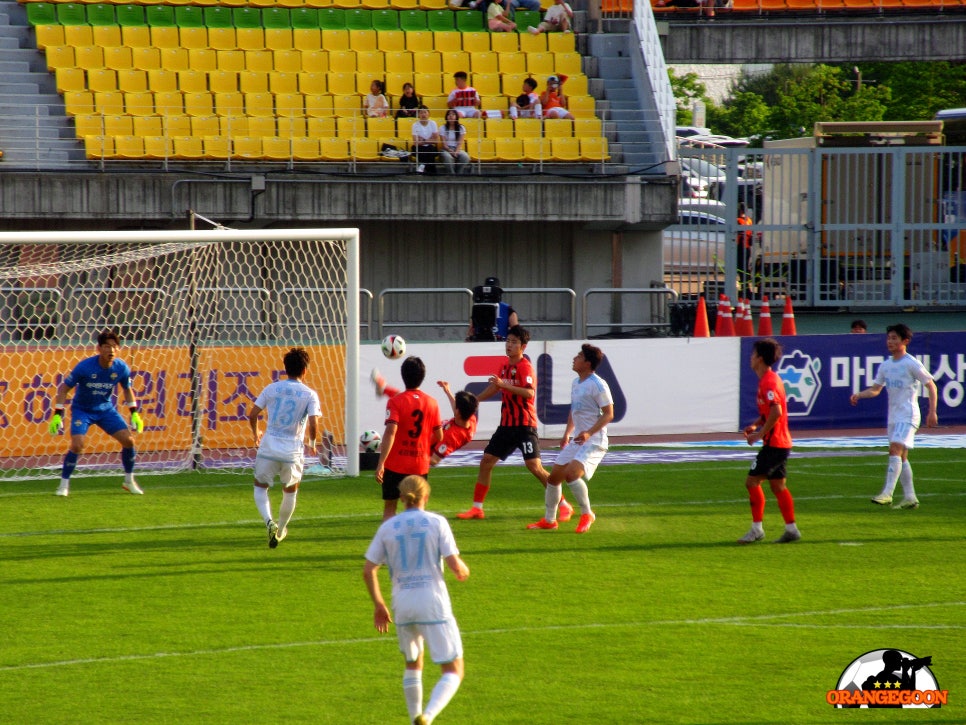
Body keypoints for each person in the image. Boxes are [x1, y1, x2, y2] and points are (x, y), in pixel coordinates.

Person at [364, 475, 470, 725]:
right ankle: (428, 716)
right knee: (454, 670)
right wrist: (462, 570)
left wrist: (379, 605)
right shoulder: (436, 522)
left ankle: (414, 719)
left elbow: (369, 569)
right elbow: (455, 564)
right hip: (433, 603)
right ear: (426, 496)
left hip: (402, 605)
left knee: (413, 662)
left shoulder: (387, 527)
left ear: (401, 498)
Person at [456, 325, 573, 521]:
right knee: (486, 462)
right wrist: (476, 399)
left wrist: (504, 385)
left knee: (534, 466)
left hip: (525, 426)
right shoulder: (504, 365)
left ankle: (563, 504)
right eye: (508, 341)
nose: (509, 345)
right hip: (506, 426)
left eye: (514, 342)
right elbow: (496, 387)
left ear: (523, 346)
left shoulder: (524, 366)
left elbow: (529, 392)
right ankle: (477, 508)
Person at [849, 323, 938, 509]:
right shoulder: (885, 365)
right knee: (902, 456)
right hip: (894, 416)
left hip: (908, 415)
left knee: (895, 450)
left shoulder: (911, 363)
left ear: (905, 341)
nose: (890, 341)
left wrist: (932, 411)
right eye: (889, 338)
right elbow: (876, 390)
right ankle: (910, 497)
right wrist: (860, 395)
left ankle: (887, 493)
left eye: (894, 338)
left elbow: (931, 385)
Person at [528, 344, 613, 534]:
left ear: (588, 363)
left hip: (595, 441)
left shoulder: (598, 384)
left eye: (580, 356)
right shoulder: (576, 382)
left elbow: (609, 414)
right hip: (578, 440)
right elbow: (575, 411)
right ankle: (550, 520)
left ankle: (587, 513)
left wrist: (589, 433)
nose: (575, 358)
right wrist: (568, 433)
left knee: (571, 474)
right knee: (553, 478)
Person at [50, 329, 144, 497]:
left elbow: (127, 389)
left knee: (129, 441)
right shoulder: (85, 367)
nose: (111, 350)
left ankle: (129, 481)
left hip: (105, 410)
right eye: (107, 347)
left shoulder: (121, 368)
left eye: (115, 347)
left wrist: (134, 412)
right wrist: (58, 414)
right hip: (82, 410)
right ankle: (63, 485)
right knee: (78, 445)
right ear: (99, 349)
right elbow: (64, 389)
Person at [248, 347, 321, 548]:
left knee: (260, 488)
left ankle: (268, 522)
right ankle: (280, 530)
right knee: (290, 492)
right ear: (305, 370)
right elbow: (314, 423)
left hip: (269, 447)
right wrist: (313, 444)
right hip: (292, 452)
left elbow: (252, 415)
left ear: (285, 368)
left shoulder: (271, 388)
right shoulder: (309, 394)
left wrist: (256, 435)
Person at [737, 337, 801, 544]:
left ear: (761, 358)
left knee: (752, 481)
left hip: (775, 444)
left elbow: (777, 411)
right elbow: (769, 411)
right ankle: (791, 529)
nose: (751, 358)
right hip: (780, 443)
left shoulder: (769, 381)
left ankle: (757, 529)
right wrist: (756, 425)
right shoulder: (767, 380)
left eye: (754, 354)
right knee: (778, 486)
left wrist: (759, 433)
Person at [376, 356, 443, 520]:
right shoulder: (432, 403)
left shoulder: (395, 401)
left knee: (390, 507)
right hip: (419, 464)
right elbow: (439, 435)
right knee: (418, 508)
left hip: (395, 464)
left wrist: (381, 463)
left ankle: (390, 542)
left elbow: (390, 432)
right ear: (422, 376)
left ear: (403, 375)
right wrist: (423, 444)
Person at [372, 372, 479, 466]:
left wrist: (413, 454)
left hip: (422, 441)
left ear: (458, 412)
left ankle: (384, 389)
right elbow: (457, 410)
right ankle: (384, 389)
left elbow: (434, 460)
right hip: (431, 428)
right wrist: (447, 391)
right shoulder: (470, 418)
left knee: (406, 401)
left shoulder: (452, 438)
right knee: (408, 400)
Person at [466, 276, 519, 341]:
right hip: (480, 342)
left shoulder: (507, 309)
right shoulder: (478, 308)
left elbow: (516, 332)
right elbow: (471, 330)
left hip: (501, 343)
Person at [439, 109, 470, 175]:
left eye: (453, 114)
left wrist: (456, 152)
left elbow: (460, 142)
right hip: (446, 149)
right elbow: (444, 144)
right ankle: (452, 174)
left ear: (456, 116)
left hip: (457, 148)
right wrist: (451, 151)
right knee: (448, 158)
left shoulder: (461, 128)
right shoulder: (442, 128)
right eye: (449, 114)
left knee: (465, 157)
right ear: (446, 117)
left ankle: (458, 173)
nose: (451, 116)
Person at [411, 105, 439, 175]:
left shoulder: (433, 123)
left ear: (428, 114)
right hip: (420, 147)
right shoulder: (415, 125)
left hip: (430, 147)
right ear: (418, 115)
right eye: (421, 113)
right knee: (423, 150)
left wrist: (423, 140)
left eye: (425, 112)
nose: (423, 114)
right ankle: (431, 172)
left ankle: (422, 166)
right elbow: (415, 142)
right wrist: (429, 140)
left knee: (430, 149)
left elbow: (436, 140)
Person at [736, 201, 754, 297]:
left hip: (740, 248)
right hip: (747, 248)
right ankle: (746, 288)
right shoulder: (749, 221)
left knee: (740, 269)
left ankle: (745, 289)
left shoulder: (738, 220)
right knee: (745, 269)